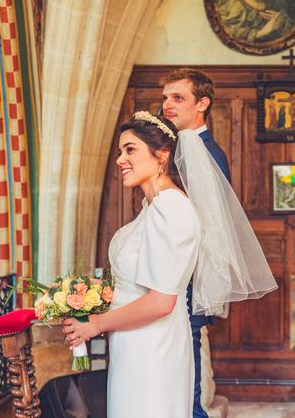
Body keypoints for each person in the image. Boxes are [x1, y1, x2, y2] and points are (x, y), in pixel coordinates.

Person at [62, 111, 277, 417]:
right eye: (120, 151)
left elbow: (161, 301)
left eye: (130, 150)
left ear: (161, 155)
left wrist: (95, 324)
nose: (120, 159)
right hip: (133, 343)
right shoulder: (151, 207)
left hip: (153, 347)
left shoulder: (171, 209)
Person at [161, 68, 227, 418]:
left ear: (202, 103)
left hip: (187, 273)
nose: (167, 105)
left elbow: (204, 224)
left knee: (190, 365)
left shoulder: (205, 152)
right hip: (174, 271)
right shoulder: (179, 147)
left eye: (178, 97)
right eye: (166, 97)